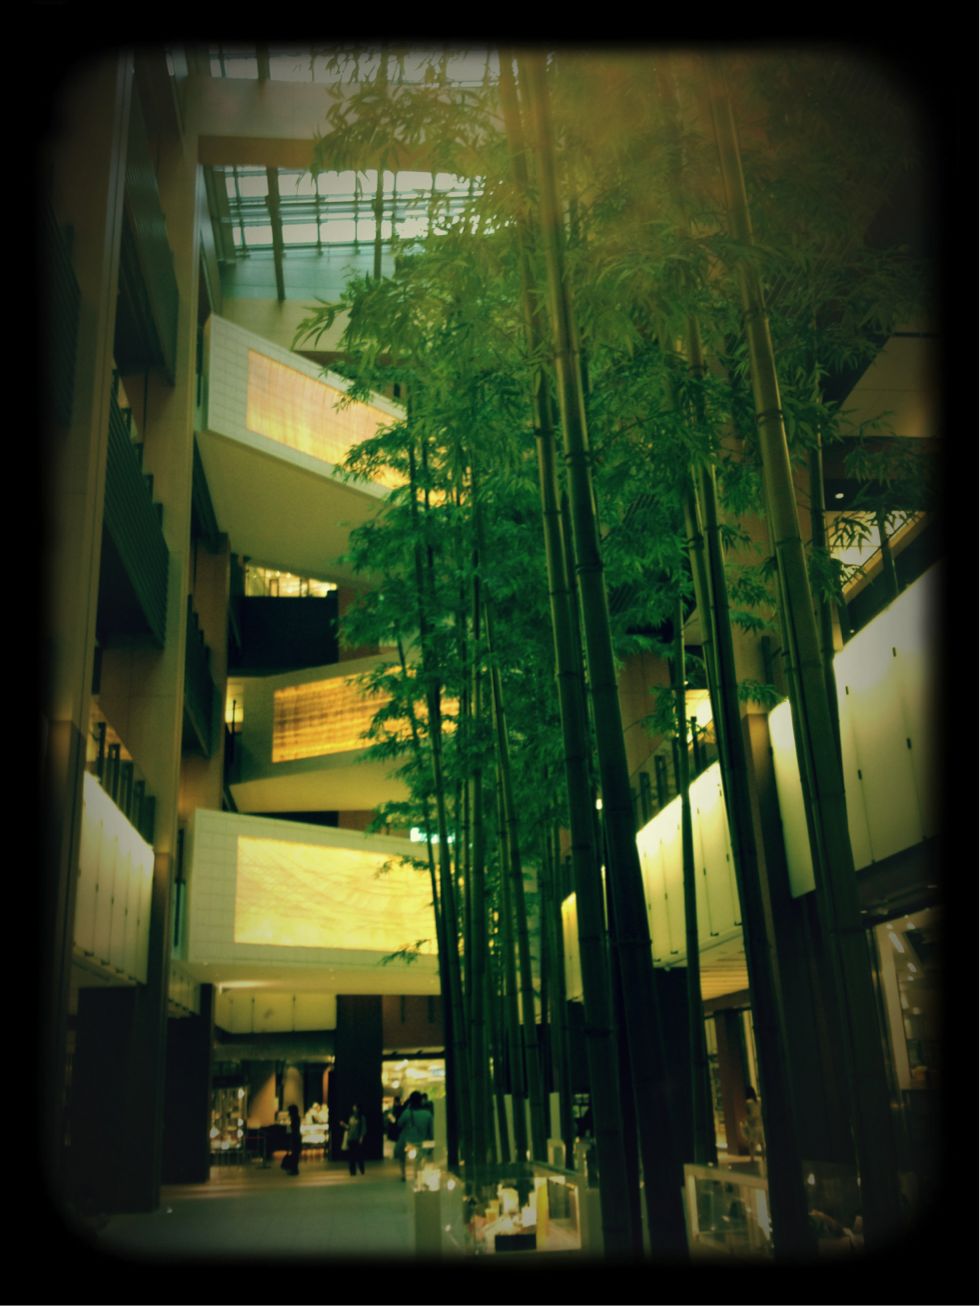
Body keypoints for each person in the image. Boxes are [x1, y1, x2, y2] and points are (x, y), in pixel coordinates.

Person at [394, 1090, 434, 1182]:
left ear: (410, 1101)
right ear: (421, 1101)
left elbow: (399, 1124)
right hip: (421, 1142)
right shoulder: (428, 1114)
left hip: (406, 1142)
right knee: (420, 1159)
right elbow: (430, 1131)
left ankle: (403, 1174)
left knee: (401, 1156)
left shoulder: (407, 1112)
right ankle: (417, 1174)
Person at [340, 1104, 367, 1176]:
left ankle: (361, 1169)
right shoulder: (351, 1117)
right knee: (351, 1156)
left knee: (359, 1155)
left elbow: (363, 1129)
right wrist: (344, 1125)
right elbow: (349, 1128)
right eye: (353, 1109)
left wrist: (361, 1138)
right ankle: (352, 1171)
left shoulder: (361, 1118)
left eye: (355, 1109)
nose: (354, 1110)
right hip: (350, 1139)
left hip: (357, 1139)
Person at [740, 1085, 765, 1162]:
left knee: (752, 1143)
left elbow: (748, 1114)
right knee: (761, 1142)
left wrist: (744, 1121)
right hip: (760, 1123)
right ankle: (763, 1156)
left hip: (752, 1124)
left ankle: (752, 1157)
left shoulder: (747, 1102)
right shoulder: (759, 1101)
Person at [281, 1103, 301, 1175]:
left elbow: (293, 1128)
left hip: (295, 1138)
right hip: (297, 1137)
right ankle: (294, 1169)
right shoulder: (297, 1118)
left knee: (294, 1154)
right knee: (295, 1154)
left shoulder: (294, 1119)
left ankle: (294, 1169)